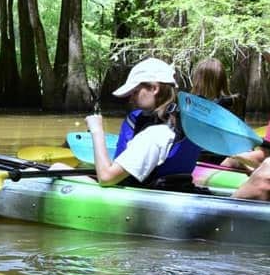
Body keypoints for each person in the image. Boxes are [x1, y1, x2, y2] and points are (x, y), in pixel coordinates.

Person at [82, 57, 199, 187]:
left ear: (154, 88)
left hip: (143, 194)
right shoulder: (182, 124)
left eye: (135, 92)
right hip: (173, 189)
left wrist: (97, 130)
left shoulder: (155, 134)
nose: (130, 99)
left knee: (63, 168)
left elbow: (106, 177)